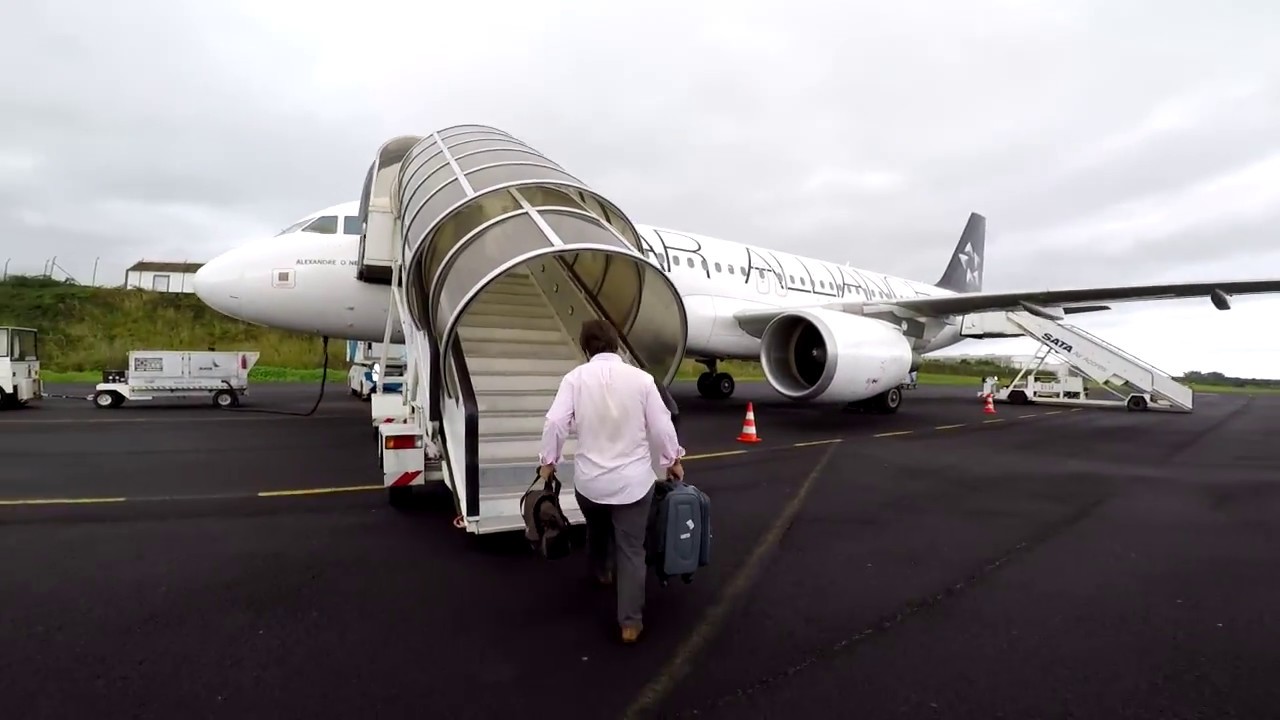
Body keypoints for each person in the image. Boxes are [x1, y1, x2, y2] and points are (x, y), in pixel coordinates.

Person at [537, 318, 685, 644]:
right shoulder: (643, 380)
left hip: (589, 483)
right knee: (631, 549)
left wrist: (548, 463)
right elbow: (661, 427)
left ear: (585, 347)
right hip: (633, 484)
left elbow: (555, 423)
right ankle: (630, 623)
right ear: (616, 344)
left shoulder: (574, 380)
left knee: (597, 529)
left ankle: (600, 573)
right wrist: (672, 461)